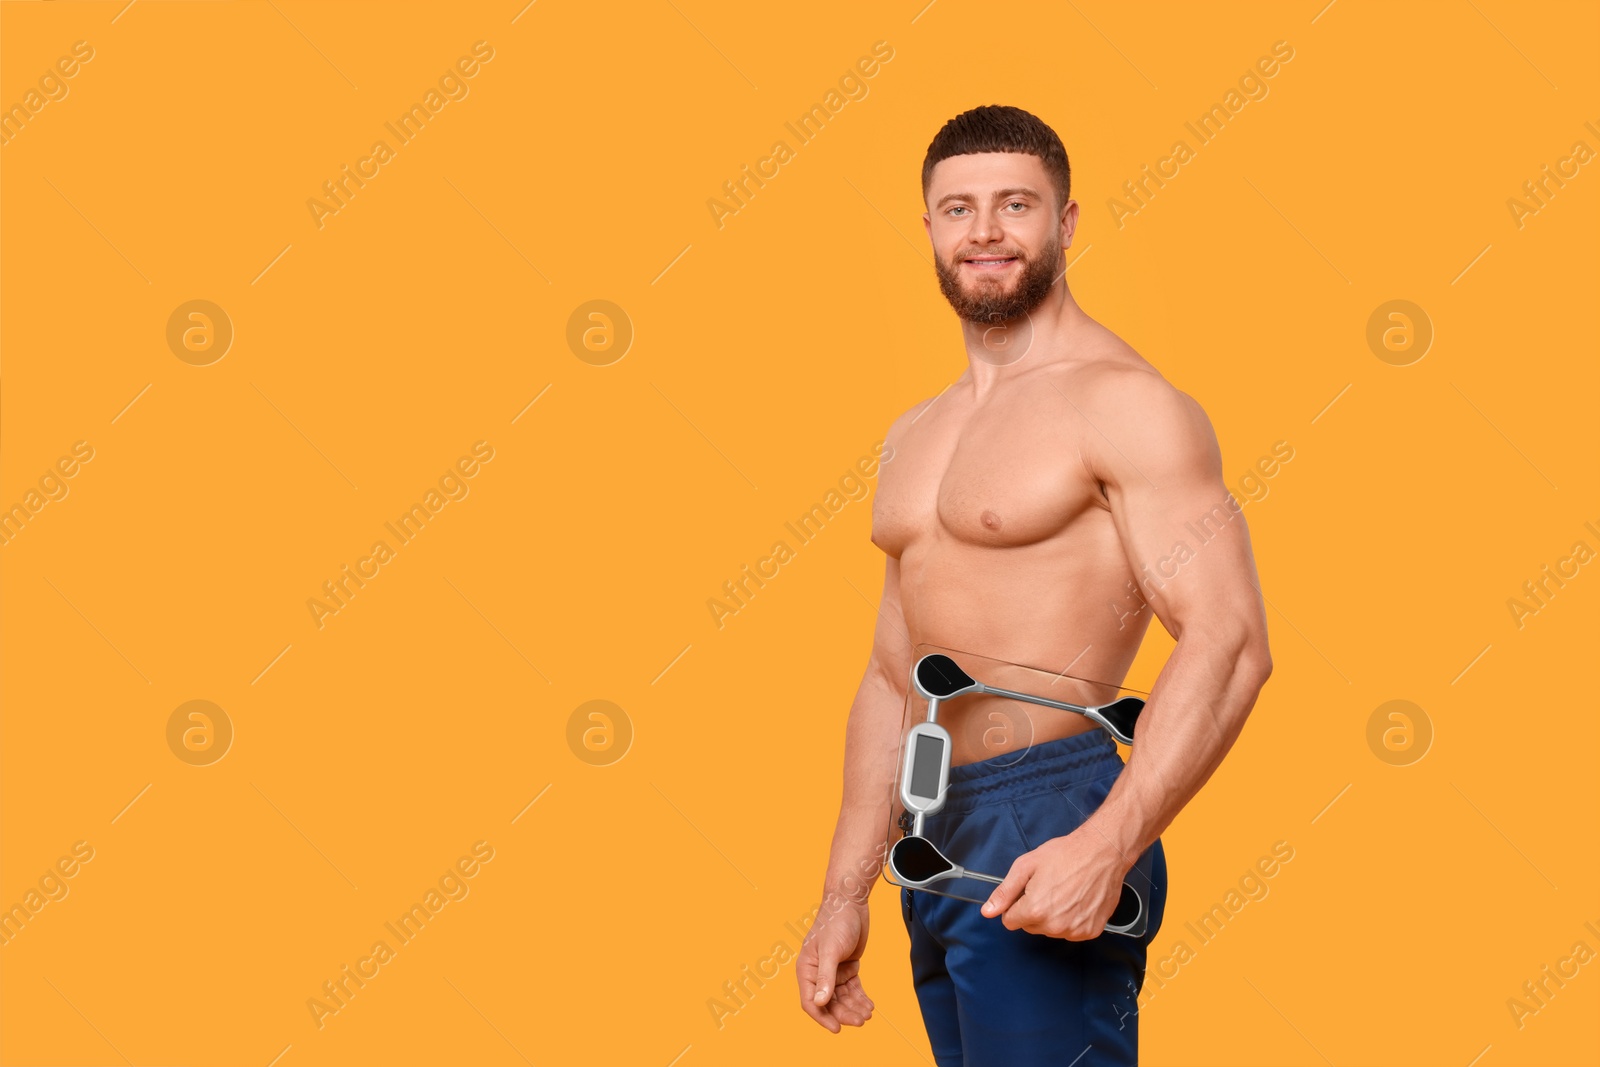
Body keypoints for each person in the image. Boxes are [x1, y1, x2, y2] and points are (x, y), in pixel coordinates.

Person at [795, 104, 1274, 1066]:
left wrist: (1111, 842)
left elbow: (1230, 639)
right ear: (928, 228)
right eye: (958, 208)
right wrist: (844, 895)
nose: (984, 231)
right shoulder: (914, 433)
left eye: (1016, 204)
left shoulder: (1124, 403)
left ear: (1066, 222)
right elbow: (894, 679)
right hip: (933, 824)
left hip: (1052, 802)